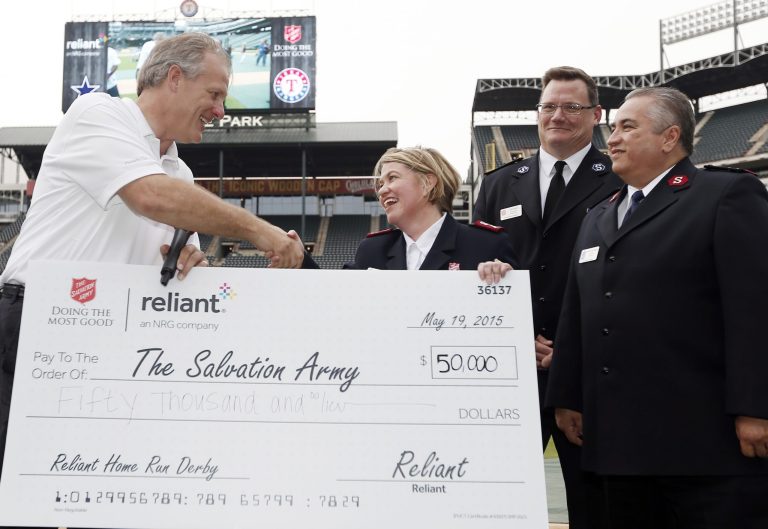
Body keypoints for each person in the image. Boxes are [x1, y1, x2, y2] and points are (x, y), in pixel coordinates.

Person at [0, 32, 307, 478]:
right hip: (35, 327)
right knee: (15, 482)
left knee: (89, 485)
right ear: (176, 78)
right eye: (215, 93)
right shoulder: (98, 113)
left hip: (114, 343)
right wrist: (260, 230)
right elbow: (149, 196)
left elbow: (186, 256)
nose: (221, 110)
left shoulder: (179, 172)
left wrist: (191, 263)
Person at [545, 86, 768, 528]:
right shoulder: (598, 217)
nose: (613, 139)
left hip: (705, 445)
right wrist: (566, 396)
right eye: (612, 129)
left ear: (670, 137)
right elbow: (578, 315)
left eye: (628, 127)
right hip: (617, 447)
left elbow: (755, 310)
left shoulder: (724, 196)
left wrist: (756, 406)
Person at [473, 66, 621, 529]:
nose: (558, 115)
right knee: (491, 499)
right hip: (506, 369)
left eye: (572, 107)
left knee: (593, 502)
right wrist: (518, 335)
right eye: (549, 106)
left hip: (584, 368)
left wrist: (565, 345)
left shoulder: (619, 178)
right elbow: (479, 268)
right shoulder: (498, 183)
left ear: (596, 115)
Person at [345, 146, 517, 271]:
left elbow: (520, 312)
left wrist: (507, 282)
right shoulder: (372, 251)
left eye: (393, 178)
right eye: (381, 184)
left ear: (428, 183)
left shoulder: (486, 245)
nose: (381, 190)